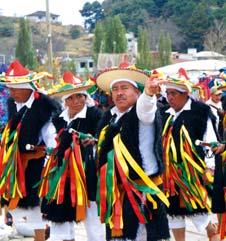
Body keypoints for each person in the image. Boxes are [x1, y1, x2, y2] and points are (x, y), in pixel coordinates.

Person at [96, 67, 170, 241]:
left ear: (137, 92)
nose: (119, 93)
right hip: (117, 192)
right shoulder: (111, 117)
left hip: (141, 189)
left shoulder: (142, 112)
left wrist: (149, 93)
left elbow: (146, 106)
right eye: (115, 89)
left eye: (124, 88)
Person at [39, 71, 105, 241]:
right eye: (71, 98)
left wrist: (93, 141)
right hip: (62, 175)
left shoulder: (95, 115)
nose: (76, 101)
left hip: (88, 173)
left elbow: (102, 138)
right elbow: (53, 143)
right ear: (65, 101)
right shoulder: (58, 120)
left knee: (93, 221)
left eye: (79, 96)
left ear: (85, 96)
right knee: (61, 219)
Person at [155, 75, 219, 241]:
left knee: (200, 214)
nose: (169, 97)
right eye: (167, 93)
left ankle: (214, 236)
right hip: (169, 176)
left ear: (185, 94)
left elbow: (210, 140)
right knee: (174, 215)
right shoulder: (164, 113)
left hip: (192, 174)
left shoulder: (200, 112)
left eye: (174, 93)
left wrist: (209, 167)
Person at [0, 60, 58, 241]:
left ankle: (40, 237)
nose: (12, 92)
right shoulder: (12, 103)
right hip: (14, 163)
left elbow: (50, 133)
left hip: (34, 163)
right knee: (16, 205)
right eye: (10, 88)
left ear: (29, 88)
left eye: (16, 88)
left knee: (32, 207)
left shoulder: (43, 108)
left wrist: (52, 152)